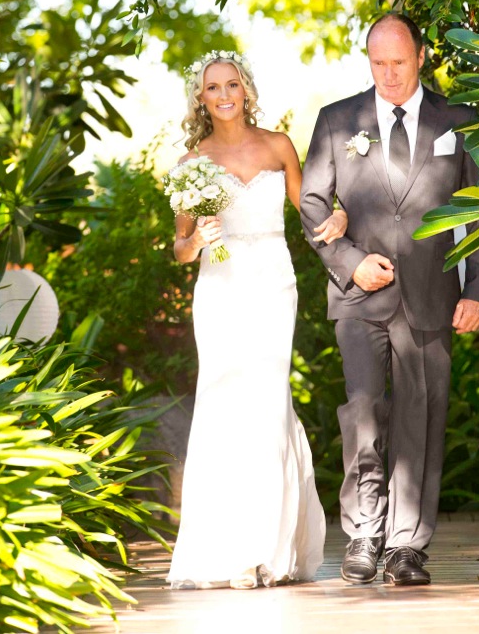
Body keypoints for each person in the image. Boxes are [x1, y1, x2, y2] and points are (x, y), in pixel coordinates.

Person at [298, 14, 479, 587]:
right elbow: (313, 203)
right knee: (362, 411)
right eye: (377, 62)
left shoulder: (459, 121)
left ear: (421, 58)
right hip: (359, 297)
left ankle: (407, 545)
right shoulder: (338, 121)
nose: (388, 74)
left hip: (433, 293)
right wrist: (349, 262)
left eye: (399, 62)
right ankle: (364, 533)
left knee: (422, 414)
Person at [165, 51, 347, 589]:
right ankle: (231, 551)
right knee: (222, 403)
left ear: (245, 89)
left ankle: (269, 549)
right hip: (220, 288)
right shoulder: (190, 162)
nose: (224, 94)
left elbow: (311, 214)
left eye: (232, 84)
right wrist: (197, 240)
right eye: (213, 87)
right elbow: (179, 248)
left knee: (269, 401)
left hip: (272, 283)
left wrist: (339, 216)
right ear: (201, 99)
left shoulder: (278, 146)